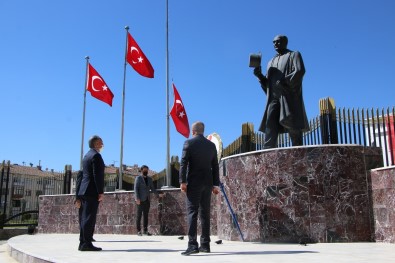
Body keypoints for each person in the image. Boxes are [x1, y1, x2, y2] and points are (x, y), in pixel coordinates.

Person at [253, 35, 309, 148]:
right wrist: (259, 76)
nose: (275, 44)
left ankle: (298, 151)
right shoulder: (271, 62)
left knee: (292, 124)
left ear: (285, 42)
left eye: (278, 42)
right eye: (274, 42)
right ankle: (267, 153)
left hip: (288, 97)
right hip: (273, 98)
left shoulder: (294, 54)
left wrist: (285, 82)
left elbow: (300, 71)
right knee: (270, 124)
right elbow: (268, 86)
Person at [179, 121, 220, 256]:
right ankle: (205, 245)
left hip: (194, 183)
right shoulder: (211, 145)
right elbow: (215, 166)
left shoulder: (189, 143)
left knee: (192, 213)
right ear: (203, 131)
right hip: (208, 183)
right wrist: (215, 185)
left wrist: (182, 181)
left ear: (193, 131)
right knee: (205, 214)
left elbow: (183, 164)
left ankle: (192, 246)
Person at [77, 135, 105, 251]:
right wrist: (100, 192)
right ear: (96, 143)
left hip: (84, 190)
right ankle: (86, 244)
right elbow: (97, 175)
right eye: (101, 142)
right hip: (91, 190)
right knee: (89, 218)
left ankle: (82, 242)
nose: (103, 144)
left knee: (85, 217)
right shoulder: (96, 155)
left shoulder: (86, 156)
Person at [134, 165, 164, 236]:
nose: (146, 171)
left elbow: (152, 189)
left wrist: (158, 195)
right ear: (141, 170)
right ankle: (138, 231)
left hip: (147, 200)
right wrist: (137, 198)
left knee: (146, 216)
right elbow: (136, 189)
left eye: (147, 170)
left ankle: (145, 231)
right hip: (140, 200)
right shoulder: (138, 178)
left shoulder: (150, 179)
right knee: (139, 216)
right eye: (144, 170)